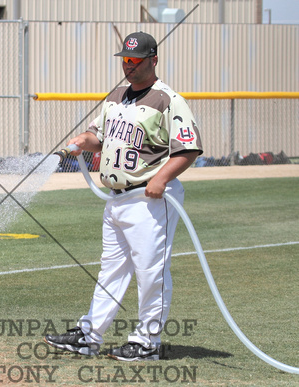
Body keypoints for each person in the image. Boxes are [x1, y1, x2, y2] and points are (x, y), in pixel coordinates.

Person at [44, 32, 203, 361]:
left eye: (135, 60)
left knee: (150, 271)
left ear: (153, 60)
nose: (128, 66)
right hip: (116, 198)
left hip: (150, 198)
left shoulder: (167, 99)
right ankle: (89, 336)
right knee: (111, 271)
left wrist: (160, 178)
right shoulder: (117, 96)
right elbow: (97, 137)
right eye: (125, 60)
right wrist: (80, 142)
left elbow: (188, 150)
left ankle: (147, 342)